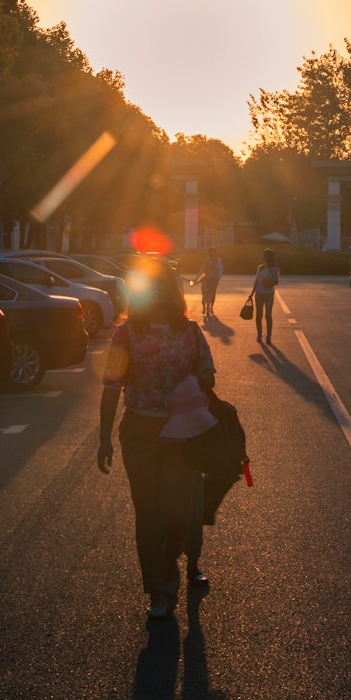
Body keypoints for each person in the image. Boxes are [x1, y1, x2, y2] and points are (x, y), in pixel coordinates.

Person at [97, 260, 216, 620]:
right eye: (152, 286)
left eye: (164, 284)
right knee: (148, 515)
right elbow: (111, 388)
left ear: (173, 290)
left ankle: (170, 571)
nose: (159, 291)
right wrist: (104, 438)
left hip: (181, 435)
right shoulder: (126, 334)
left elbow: (208, 374)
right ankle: (159, 591)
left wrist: (199, 384)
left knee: (176, 515)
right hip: (140, 433)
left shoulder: (191, 332)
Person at [251, 249, 280, 344]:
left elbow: (276, 281)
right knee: (258, 315)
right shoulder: (260, 267)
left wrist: (269, 283)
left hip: (268, 294)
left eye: (263, 255)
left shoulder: (274, 268)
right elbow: (256, 281)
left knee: (268, 315)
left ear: (267, 256)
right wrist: (251, 293)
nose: (261, 256)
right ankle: (259, 335)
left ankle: (269, 335)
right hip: (258, 294)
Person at [191, 249, 224, 318]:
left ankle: (211, 307)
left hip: (213, 280)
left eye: (212, 252)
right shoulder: (207, 261)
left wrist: (218, 279)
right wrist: (195, 279)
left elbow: (220, 270)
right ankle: (208, 309)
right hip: (209, 280)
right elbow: (202, 270)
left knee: (211, 294)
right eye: (210, 253)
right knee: (209, 294)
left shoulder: (218, 261)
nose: (211, 254)